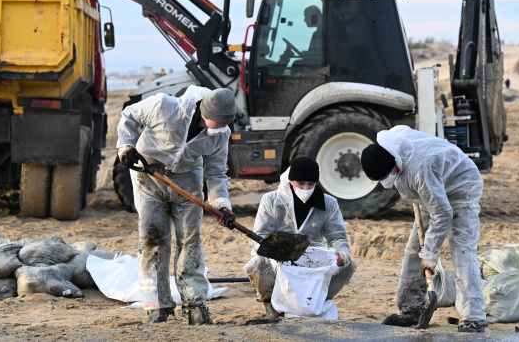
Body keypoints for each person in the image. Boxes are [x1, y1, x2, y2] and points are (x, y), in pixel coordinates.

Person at [117, 86, 238, 325]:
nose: (222, 129)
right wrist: (125, 147)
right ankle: (156, 306)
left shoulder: (221, 134)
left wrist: (221, 204)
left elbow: (216, 172)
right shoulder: (164, 107)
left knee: (190, 239)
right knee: (153, 239)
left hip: (187, 179)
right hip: (148, 176)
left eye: (226, 123)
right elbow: (129, 115)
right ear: (205, 112)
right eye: (218, 122)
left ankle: (195, 303)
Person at [360, 125, 487, 333]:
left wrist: (430, 253)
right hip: (432, 188)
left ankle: (474, 317)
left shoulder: (419, 169)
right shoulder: (393, 141)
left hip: (461, 185)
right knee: (413, 248)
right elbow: (403, 128)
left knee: (462, 250)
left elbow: (443, 213)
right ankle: (411, 309)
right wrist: (423, 249)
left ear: (393, 165)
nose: (384, 182)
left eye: (384, 177)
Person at [244, 156, 355, 318]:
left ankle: (320, 299)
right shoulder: (271, 200)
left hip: (312, 256)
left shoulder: (328, 203)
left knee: (347, 266)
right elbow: (260, 236)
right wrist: (274, 252)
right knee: (260, 263)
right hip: (277, 256)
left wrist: (342, 254)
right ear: (291, 181)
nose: (305, 188)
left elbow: (338, 236)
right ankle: (269, 304)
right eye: (300, 184)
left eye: (311, 184)